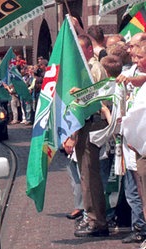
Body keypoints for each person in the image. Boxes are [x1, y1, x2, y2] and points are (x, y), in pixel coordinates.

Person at [63, 34, 109, 237]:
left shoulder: (94, 69)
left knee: (90, 174)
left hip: (91, 124)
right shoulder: (86, 68)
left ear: (89, 49)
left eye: (80, 51)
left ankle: (97, 221)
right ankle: (92, 217)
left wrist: (80, 93)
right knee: (85, 174)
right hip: (85, 125)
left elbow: (95, 97)